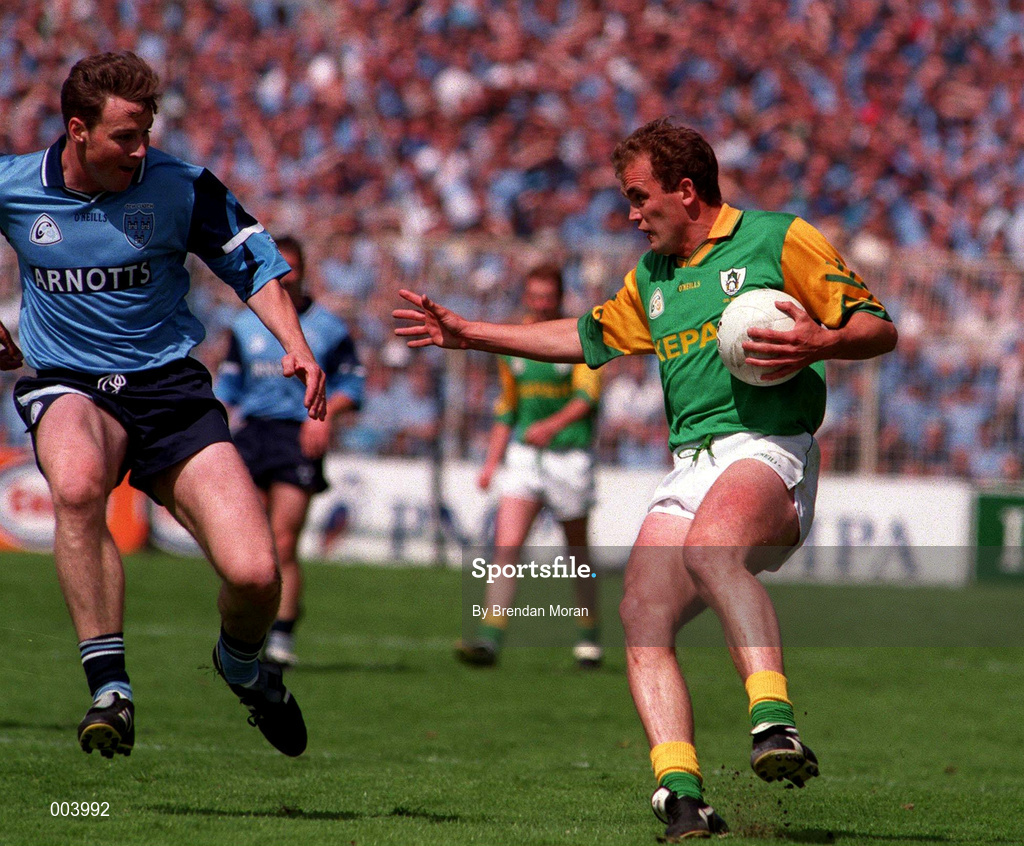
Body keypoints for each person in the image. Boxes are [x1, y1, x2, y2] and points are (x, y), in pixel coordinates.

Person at [395, 118, 897, 840]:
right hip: (691, 462)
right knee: (641, 616)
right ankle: (682, 792)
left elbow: (879, 326)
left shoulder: (779, 238)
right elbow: (583, 337)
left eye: (639, 197)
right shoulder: (651, 277)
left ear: (685, 191)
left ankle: (773, 724)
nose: (632, 215)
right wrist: (471, 334)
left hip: (770, 446)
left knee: (711, 549)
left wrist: (822, 340)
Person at [0, 52, 327, 760]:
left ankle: (241, 666)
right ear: (78, 129)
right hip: (69, 382)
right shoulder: (14, 185)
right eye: (125, 136)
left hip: (169, 390)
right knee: (77, 484)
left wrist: (296, 344)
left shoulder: (181, 186)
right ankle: (110, 692)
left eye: (146, 132)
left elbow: (254, 264)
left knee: (255, 574)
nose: (141, 150)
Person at [216, 235, 364, 667]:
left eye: (293, 267)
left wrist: (325, 416)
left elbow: (352, 385)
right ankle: (246, 632)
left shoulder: (329, 327)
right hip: (252, 435)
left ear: (304, 270)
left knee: (284, 539)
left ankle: (282, 635)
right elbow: (228, 387)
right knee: (249, 544)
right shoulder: (244, 325)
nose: (286, 276)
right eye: (279, 266)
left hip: (299, 434)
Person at [456, 263, 603, 669]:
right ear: (525, 296)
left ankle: (589, 636)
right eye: (534, 296)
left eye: (547, 297)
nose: (540, 304)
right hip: (525, 457)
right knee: (507, 546)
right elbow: (508, 406)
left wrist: (551, 426)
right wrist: (491, 462)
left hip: (570, 458)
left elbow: (587, 398)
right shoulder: (513, 342)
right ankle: (489, 639)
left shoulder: (578, 336)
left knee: (577, 554)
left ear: (559, 298)